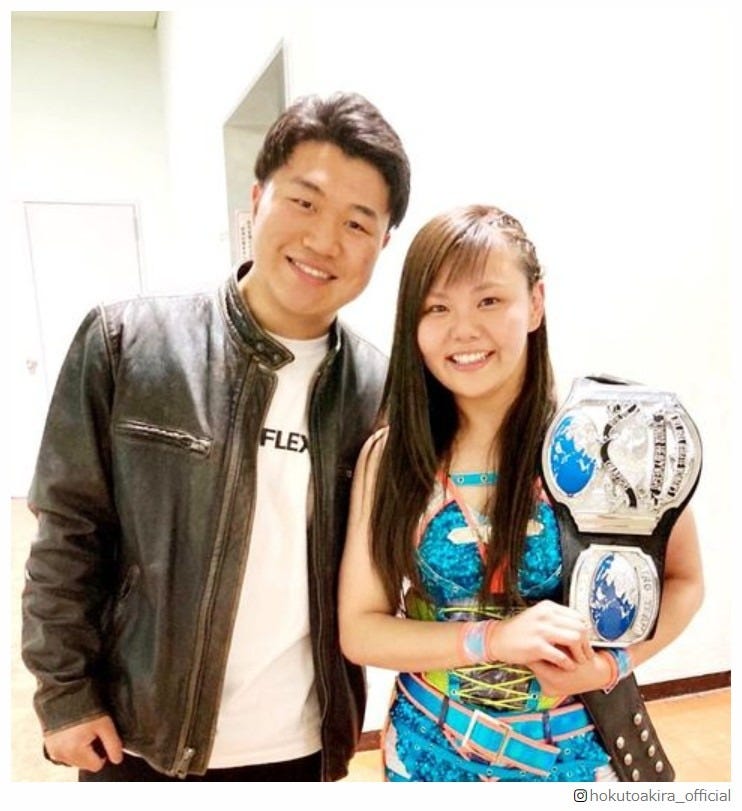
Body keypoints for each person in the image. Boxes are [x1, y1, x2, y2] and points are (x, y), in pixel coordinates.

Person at [21, 92, 411, 782]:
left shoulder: (377, 393)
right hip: (140, 736)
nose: (324, 241)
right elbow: (68, 532)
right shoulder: (127, 344)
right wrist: (65, 693)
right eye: (304, 202)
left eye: (357, 222)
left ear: (382, 244)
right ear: (256, 201)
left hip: (301, 745)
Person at [338, 204, 703, 782]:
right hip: (428, 749)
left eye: (489, 300)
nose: (464, 330)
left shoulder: (611, 438)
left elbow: (684, 580)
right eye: (437, 308)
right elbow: (361, 630)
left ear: (535, 303)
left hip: (579, 754)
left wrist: (609, 667)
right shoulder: (391, 458)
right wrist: (493, 639)